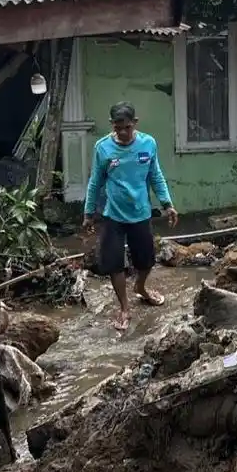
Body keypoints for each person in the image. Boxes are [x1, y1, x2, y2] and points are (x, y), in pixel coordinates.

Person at [83, 102, 178, 333]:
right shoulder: (102, 148)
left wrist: (168, 204)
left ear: (134, 123)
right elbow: (95, 182)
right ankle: (124, 308)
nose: (122, 133)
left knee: (146, 261)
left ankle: (141, 287)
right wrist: (88, 213)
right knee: (114, 263)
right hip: (113, 215)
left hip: (141, 213)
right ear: (112, 126)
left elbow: (156, 176)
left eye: (126, 127)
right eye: (117, 128)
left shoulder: (148, 144)